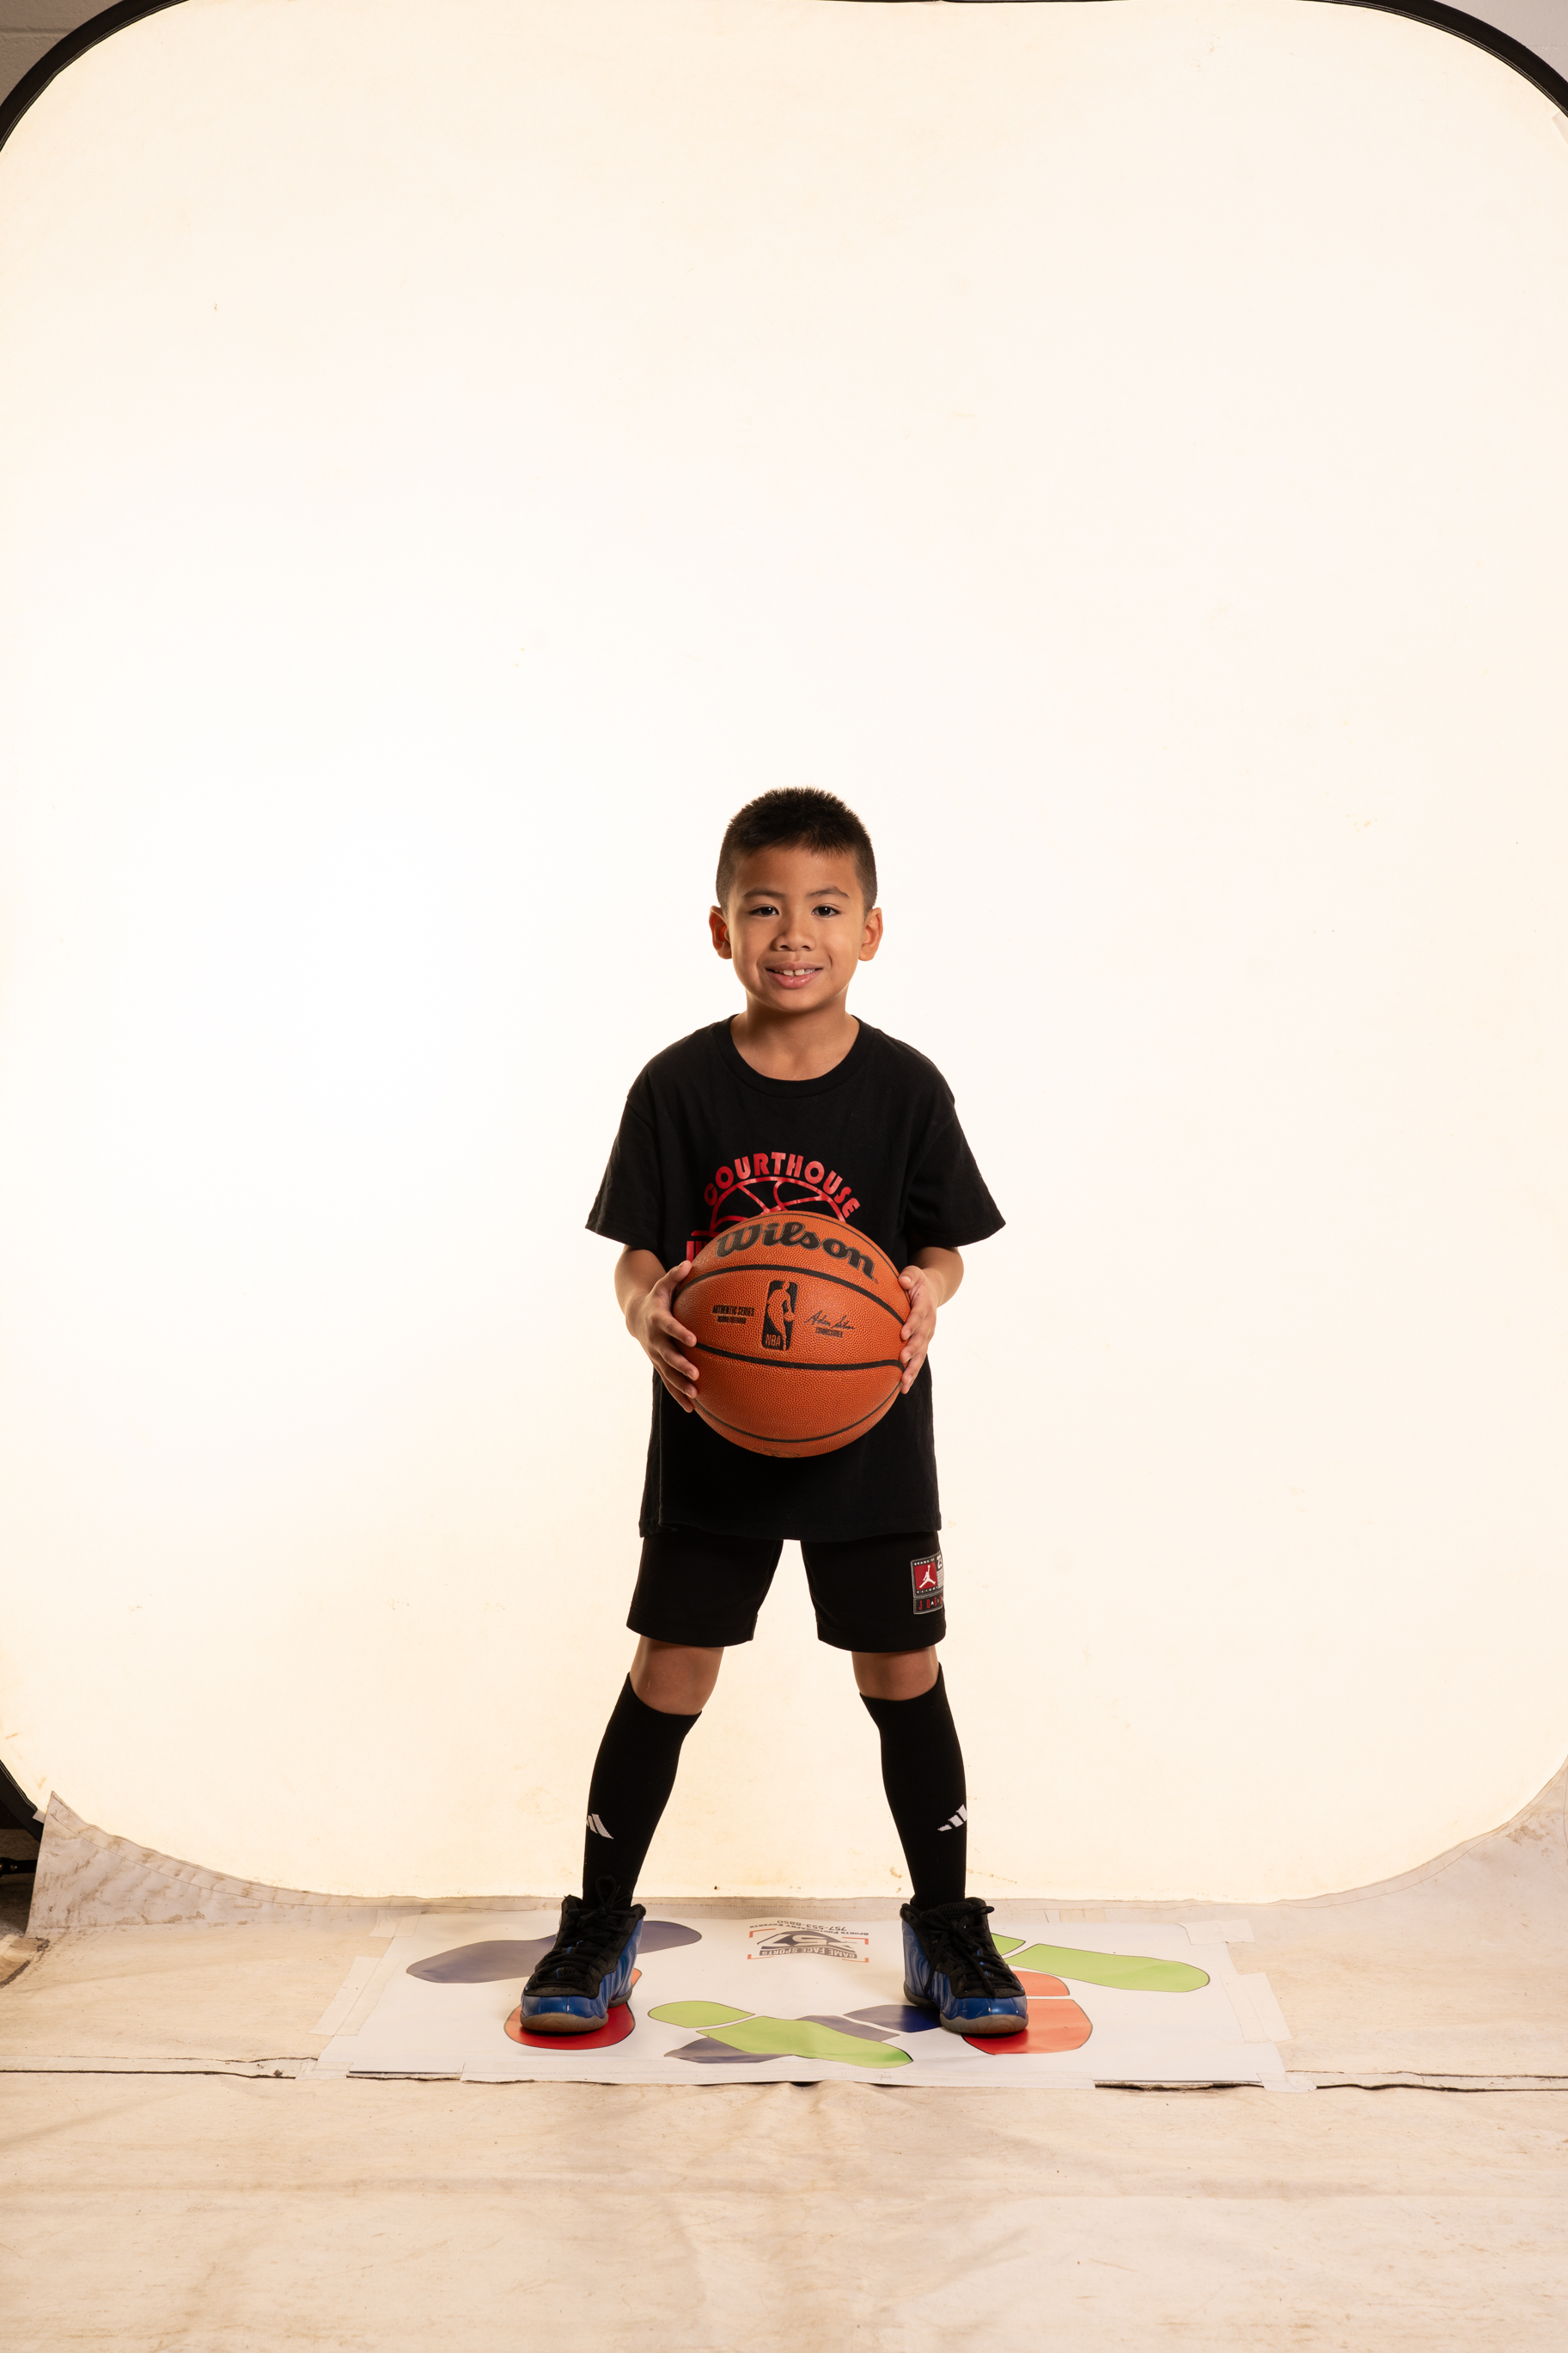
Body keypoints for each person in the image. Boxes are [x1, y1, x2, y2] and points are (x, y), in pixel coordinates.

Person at [520, 788, 1027, 2037]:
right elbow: (638, 1256)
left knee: (901, 1667)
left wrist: (928, 1293)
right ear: (719, 929)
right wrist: (642, 1312)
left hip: (870, 1434)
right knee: (672, 1665)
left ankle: (946, 1924)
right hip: (715, 1427)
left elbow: (943, 1249)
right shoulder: (677, 1086)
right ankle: (597, 1922)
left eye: (825, 908)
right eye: (763, 908)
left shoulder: (905, 1088)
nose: (793, 933)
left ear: (871, 931)